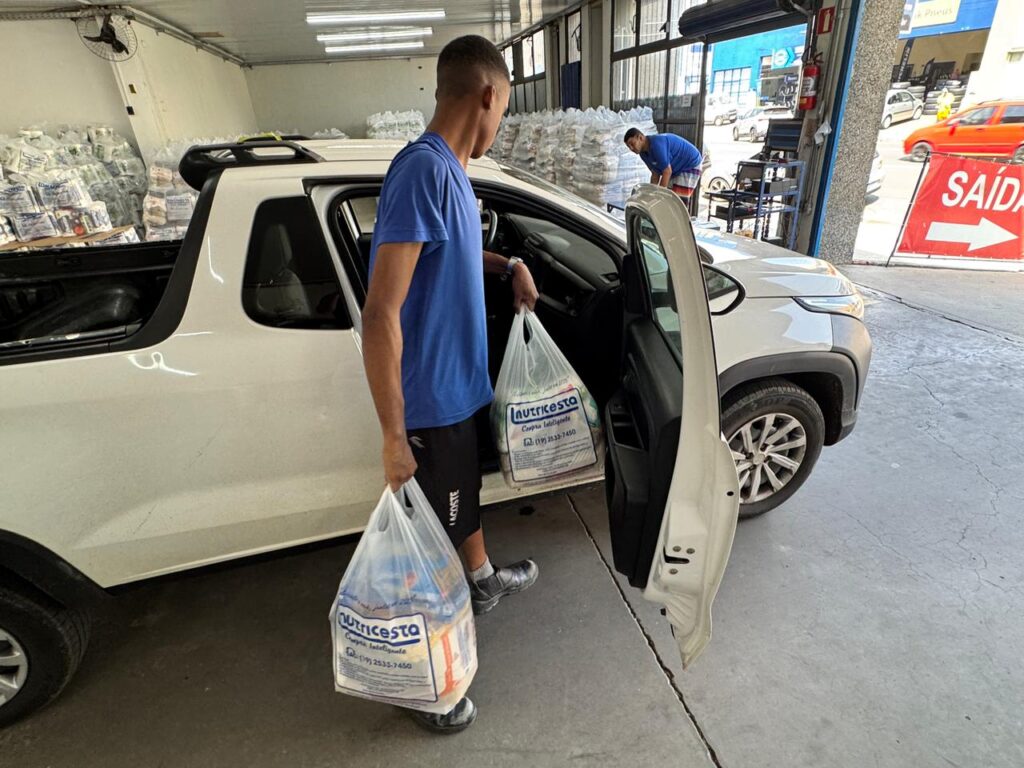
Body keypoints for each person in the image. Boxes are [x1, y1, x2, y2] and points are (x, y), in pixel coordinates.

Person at [361, 35, 541, 734]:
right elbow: (381, 310)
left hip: (458, 392)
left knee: (462, 505)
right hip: (430, 405)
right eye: (505, 108)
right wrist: (393, 435)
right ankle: (424, 689)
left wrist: (510, 265)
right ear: (489, 95)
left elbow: (453, 252)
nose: (501, 121)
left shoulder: (454, 173)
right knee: (426, 556)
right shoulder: (423, 170)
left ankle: (483, 578)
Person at [624, 128, 704, 199]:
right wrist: (651, 194)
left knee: (677, 201)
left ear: (640, 138)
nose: (631, 148)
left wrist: (660, 196)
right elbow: (655, 174)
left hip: (690, 163)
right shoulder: (643, 154)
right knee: (669, 197)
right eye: (628, 146)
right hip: (676, 167)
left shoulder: (656, 145)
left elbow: (667, 171)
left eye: (632, 144)